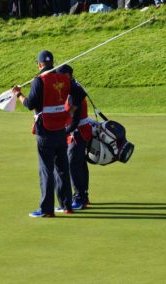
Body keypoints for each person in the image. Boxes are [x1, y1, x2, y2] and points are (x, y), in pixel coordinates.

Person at [12, 51, 81, 218]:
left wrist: (18, 94)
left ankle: (47, 209)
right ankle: (66, 205)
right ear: (52, 63)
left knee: (46, 170)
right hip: (60, 129)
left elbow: (29, 104)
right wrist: (69, 114)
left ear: (39, 64)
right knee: (63, 169)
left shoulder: (39, 80)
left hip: (45, 131)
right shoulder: (64, 78)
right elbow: (79, 94)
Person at [56, 64, 91, 210]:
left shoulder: (73, 92)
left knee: (74, 165)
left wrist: (60, 133)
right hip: (79, 132)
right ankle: (83, 196)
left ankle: (79, 198)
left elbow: (75, 120)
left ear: (67, 76)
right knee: (80, 164)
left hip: (77, 134)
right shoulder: (73, 88)